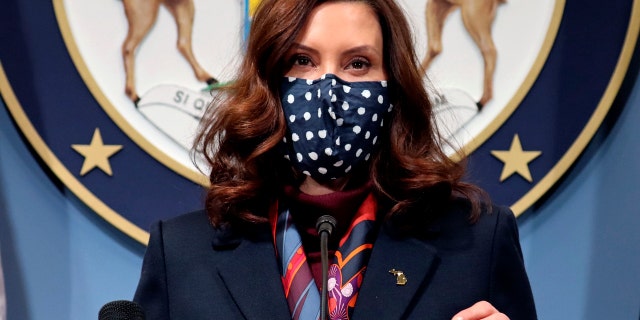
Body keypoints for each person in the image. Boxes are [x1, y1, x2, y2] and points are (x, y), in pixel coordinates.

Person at [132, 0, 537, 319]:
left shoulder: (477, 243)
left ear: (393, 88)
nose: (328, 90)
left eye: (357, 64)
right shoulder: (181, 252)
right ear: (268, 82)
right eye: (302, 61)